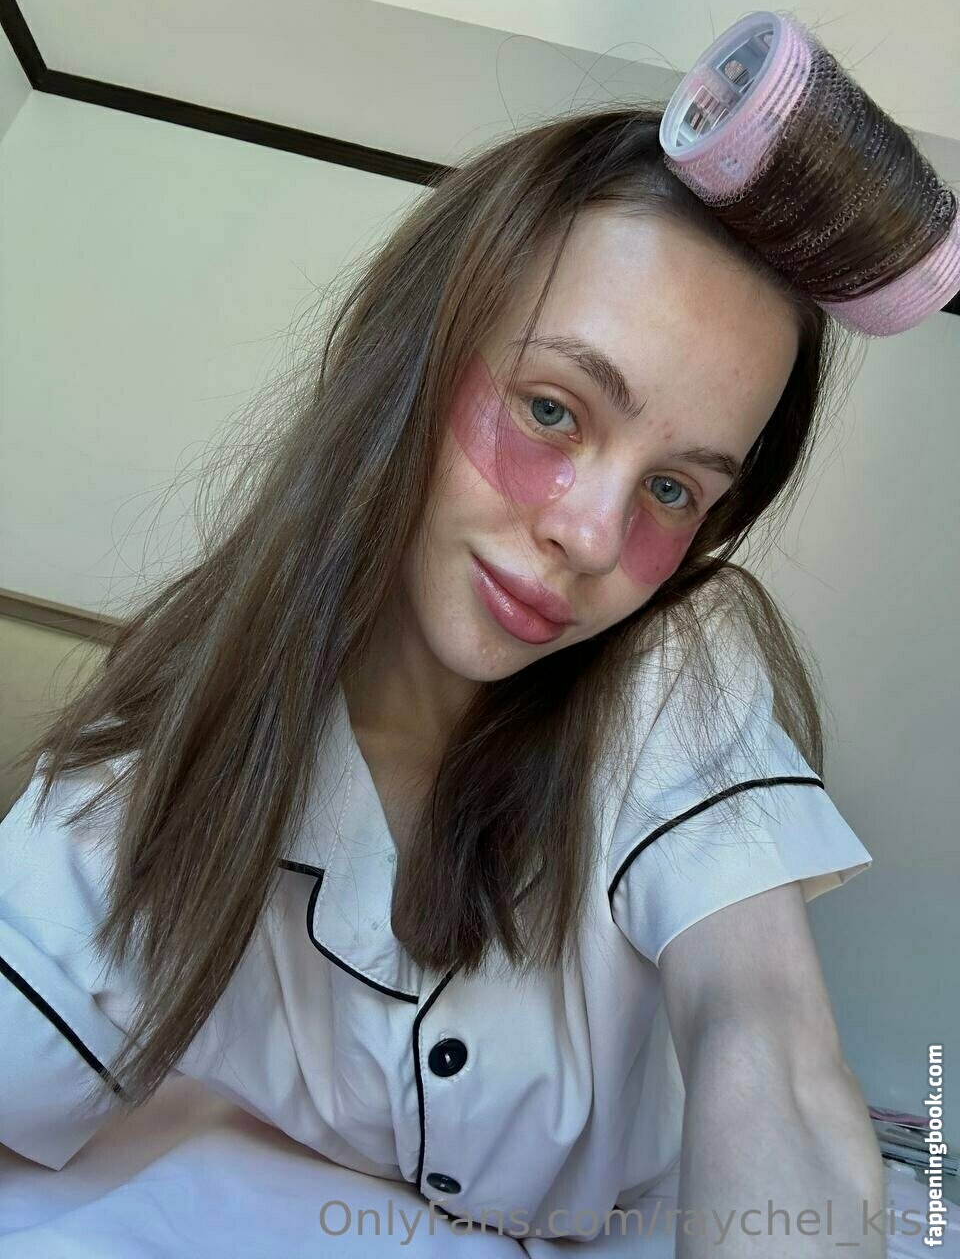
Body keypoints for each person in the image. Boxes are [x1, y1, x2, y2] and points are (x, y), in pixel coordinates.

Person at [1, 106, 893, 1255]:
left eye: (674, 489)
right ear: (411, 359)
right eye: (552, 409)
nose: (591, 534)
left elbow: (764, 1028)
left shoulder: (671, 664)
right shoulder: (161, 768)